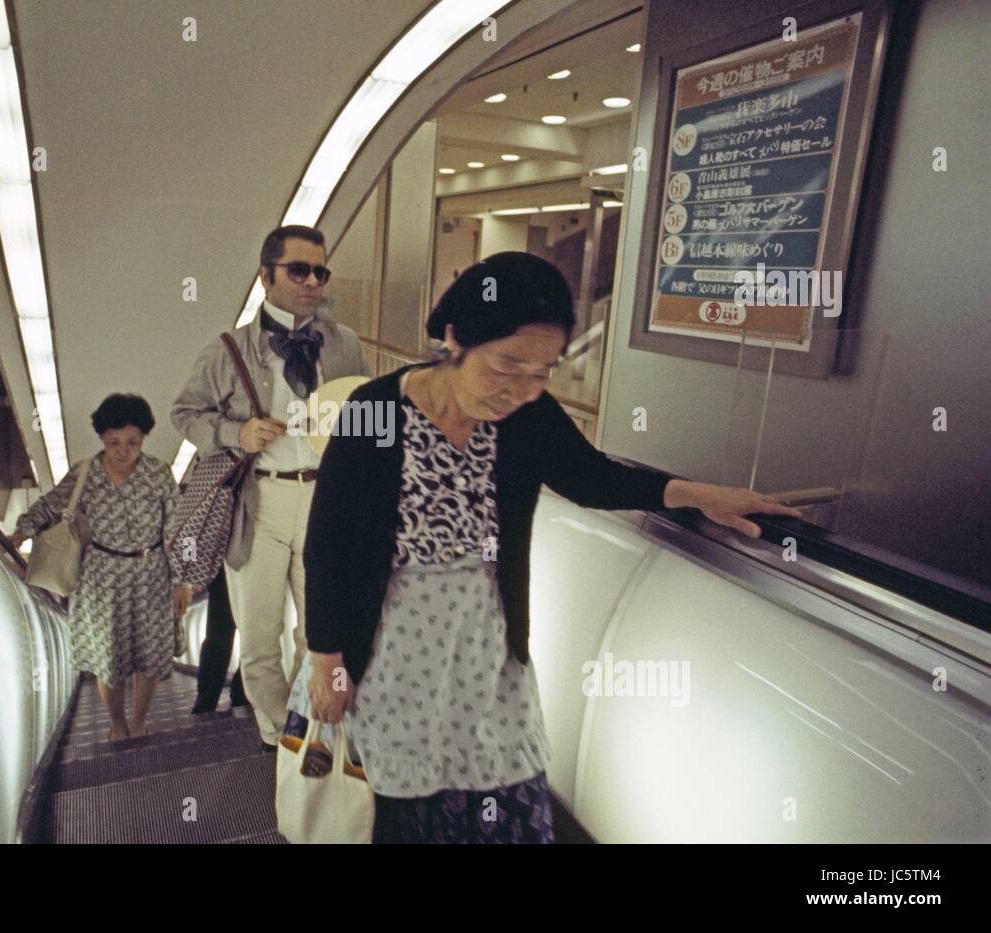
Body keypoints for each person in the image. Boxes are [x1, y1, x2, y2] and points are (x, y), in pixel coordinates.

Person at [303, 252, 800, 843]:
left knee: (510, 800)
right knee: (408, 812)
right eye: (508, 364)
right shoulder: (375, 412)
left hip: (487, 646)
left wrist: (694, 495)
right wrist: (327, 659)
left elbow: (590, 476)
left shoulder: (526, 417)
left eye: (543, 371)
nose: (522, 388)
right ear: (456, 337)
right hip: (392, 648)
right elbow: (328, 541)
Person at [171, 224, 370, 750]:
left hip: (326, 501)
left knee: (319, 634)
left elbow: (373, 417)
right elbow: (185, 413)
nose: (311, 281)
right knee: (258, 638)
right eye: (298, 269)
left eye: (319, 271)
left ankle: (308, 728)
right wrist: (235, 434)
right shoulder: (227, 351)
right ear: (265, 277)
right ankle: (275, 732)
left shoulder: (345, 345)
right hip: (258, 501)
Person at [12, 393, 193, 740]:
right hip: (101, 579)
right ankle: (117, 723)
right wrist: (22, 530)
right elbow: (51, 506)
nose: (123, 450)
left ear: (143, 439)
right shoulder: (85, 474)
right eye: (114, 442)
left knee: (149, 658)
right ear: (101, 438)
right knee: (108, 661)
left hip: (152, 575)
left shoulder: (158, 473)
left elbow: (177, 529)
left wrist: (182, 581)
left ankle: (139, 721)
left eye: (132, 442)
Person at [190, 566, 249, 714]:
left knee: (252, 636)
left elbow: (188, 541)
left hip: (246, 564)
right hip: (225, 567)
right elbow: (189, 541)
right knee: (219, 637)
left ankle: (241, 690)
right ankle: (210, 698)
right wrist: (191, 572)